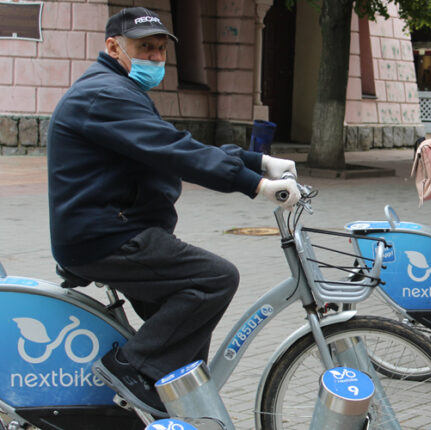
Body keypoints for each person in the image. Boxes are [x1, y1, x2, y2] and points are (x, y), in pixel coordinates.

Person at [46, 7, 300, 417]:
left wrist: (257, 161)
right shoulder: (104, 95)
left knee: (183, 348)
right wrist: (255, 185)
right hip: (108, 237)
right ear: (113, 47)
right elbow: (173, 151)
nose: (155, 58)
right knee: (214, 279)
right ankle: (131, 368)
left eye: (161, 49)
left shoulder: (120, 90)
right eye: (144, 47)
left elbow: (172, 142)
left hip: (118, 229)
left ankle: (164, 409)